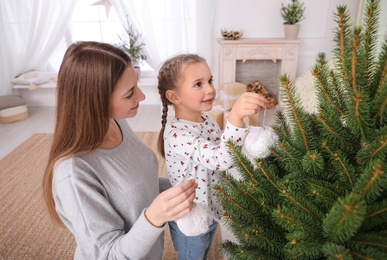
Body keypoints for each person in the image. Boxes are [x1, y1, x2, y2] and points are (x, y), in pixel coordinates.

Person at [42, 41, 198, 260]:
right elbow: (109, 255)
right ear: (95, 101)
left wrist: (192, 185)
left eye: (136, 85)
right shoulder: (73, 174)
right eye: (129, 93)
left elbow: (140, 183)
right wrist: (155, 216)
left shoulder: (115, 122)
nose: (142, 97)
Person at [157, 53, 269, 259]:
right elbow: (220, 159)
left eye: (209, 80)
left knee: (205, 250)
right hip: (191, 217)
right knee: (194, 253)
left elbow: (224, 148)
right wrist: (235, 117)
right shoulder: (177, 134)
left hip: (212, 207)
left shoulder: (207, 120)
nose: (210, 89)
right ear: (174, 97)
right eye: (198, 84)